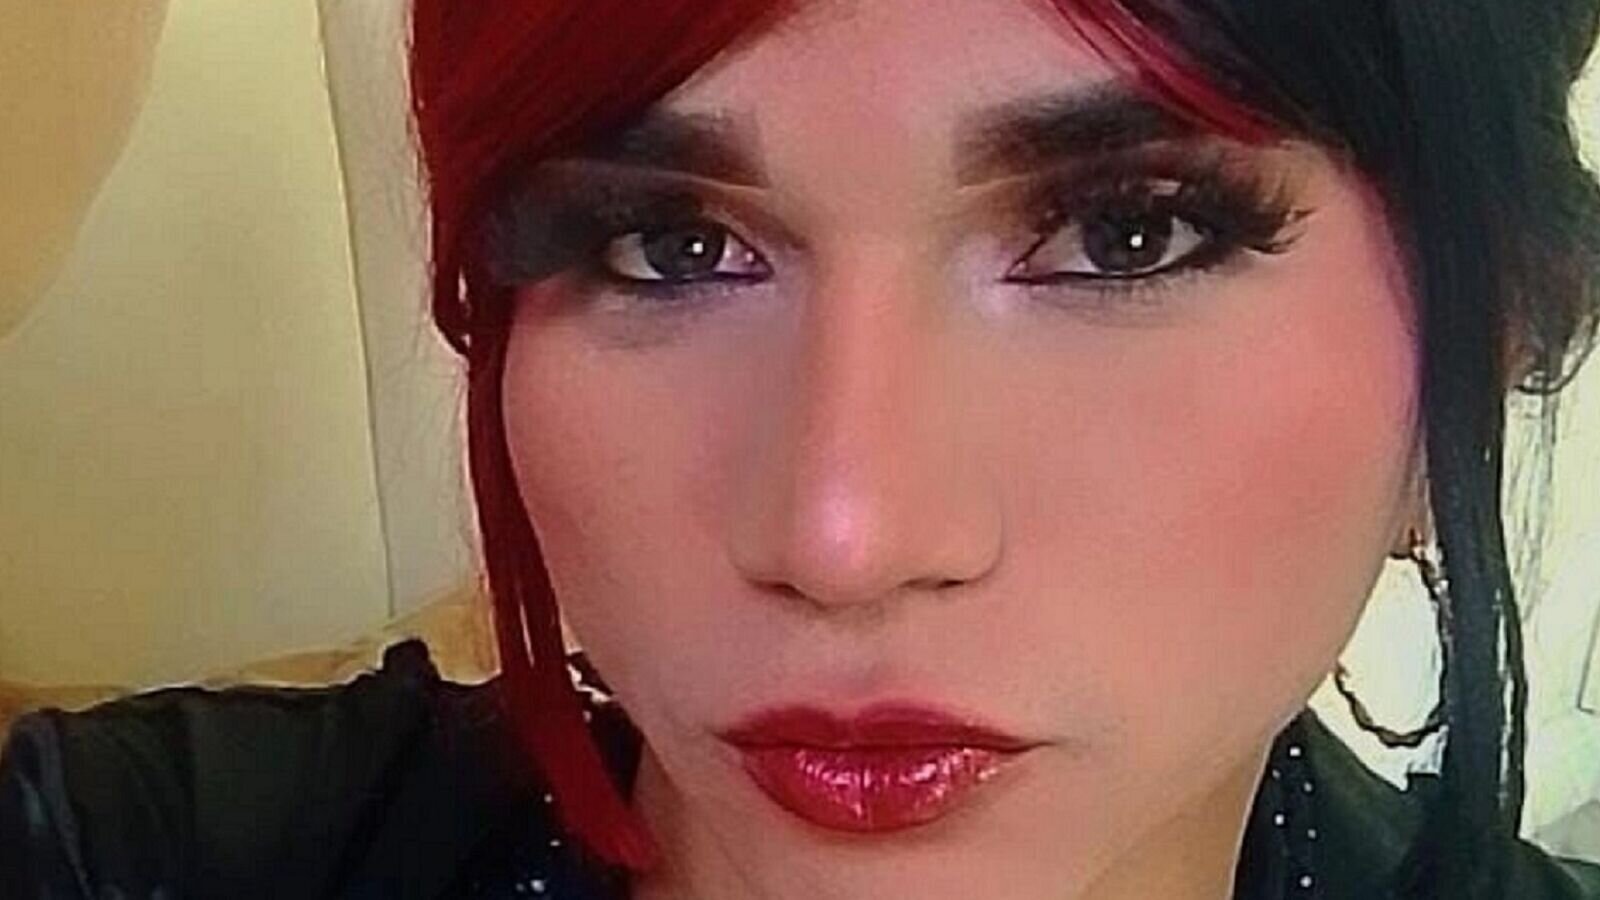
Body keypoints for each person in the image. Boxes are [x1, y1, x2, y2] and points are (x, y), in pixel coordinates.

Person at [4, 0, 1600, 897]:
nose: (844, 534)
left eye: (1127, 234)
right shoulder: (141, 856)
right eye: (670, 247)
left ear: (1499, 330)